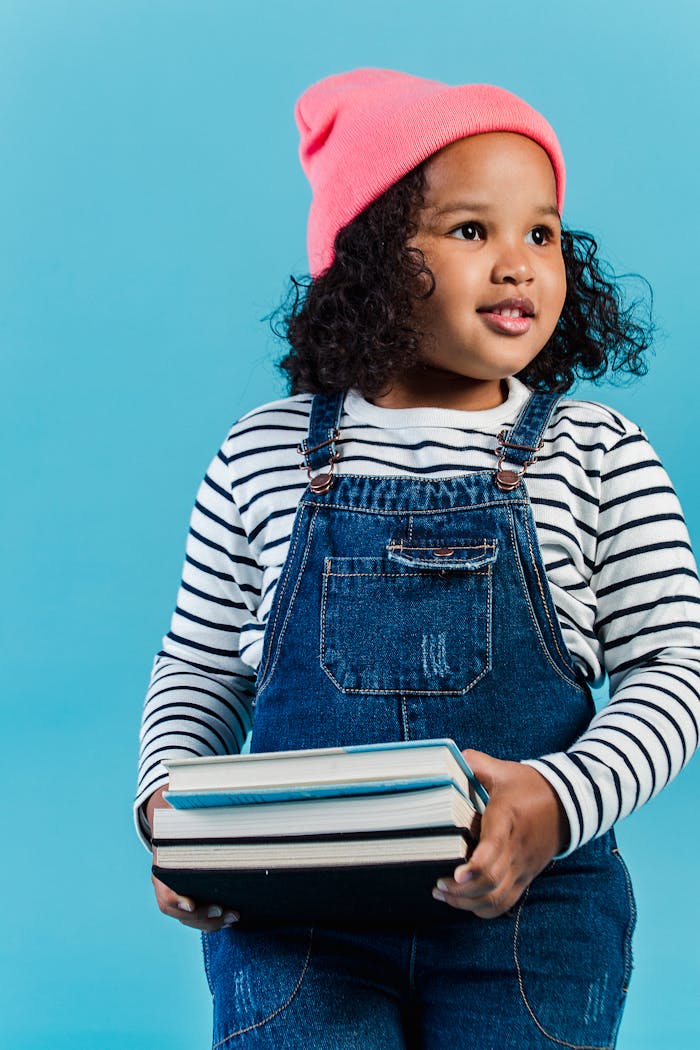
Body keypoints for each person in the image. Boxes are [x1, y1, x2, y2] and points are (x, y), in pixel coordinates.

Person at [135, 68, 700, 1049]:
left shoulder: (598, 452)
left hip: (532, 920)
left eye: (542, 232)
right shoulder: (261, 454)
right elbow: (197, 668)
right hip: (294, 919)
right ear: (365, 260)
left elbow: (673, 671)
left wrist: (555, 805)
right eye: (472, 230)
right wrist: (174, 804)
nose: (519, 263)